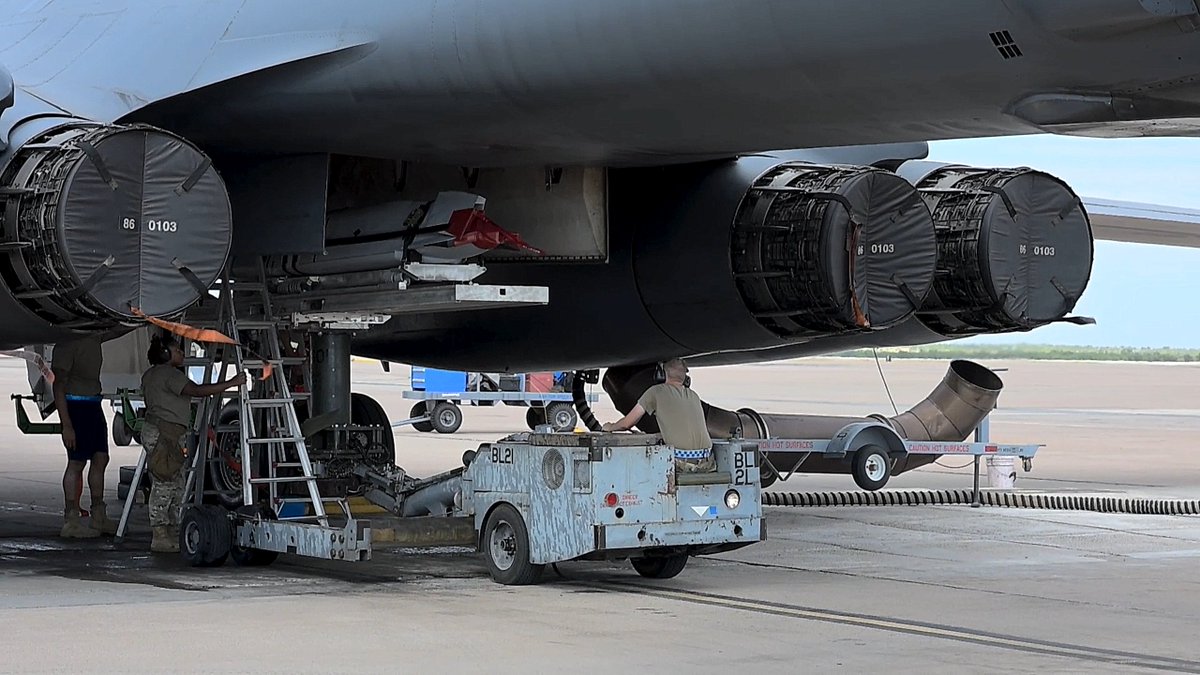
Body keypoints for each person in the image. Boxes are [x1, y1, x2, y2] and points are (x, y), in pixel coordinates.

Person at [141, 334, 246, 553]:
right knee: (164, 483)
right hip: (165, 433)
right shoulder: (170, 375)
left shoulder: (151, 374)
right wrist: (232, 383)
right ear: (166, 354)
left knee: (175, 482)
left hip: (163, 431)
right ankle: (160, 534)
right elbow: (196, 391)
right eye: (177, 350)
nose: (182, 353)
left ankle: (171, 529)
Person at [602, 358, 716, 472]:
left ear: (661, 374)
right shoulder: (694, 396)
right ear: (685, 378)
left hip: (682, 464)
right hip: (707, 463)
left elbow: (627, 424)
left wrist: (610, 427)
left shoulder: (655, 392)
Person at [52, 334, 112, 538]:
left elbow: (115, 331)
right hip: (76, 406)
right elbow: (58, 384)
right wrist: (66, 424)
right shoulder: (67, 343)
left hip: (93, 403)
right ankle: (71, 520)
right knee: (76, 462)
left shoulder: (94, 337)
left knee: (101, 458)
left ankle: (98, 515)